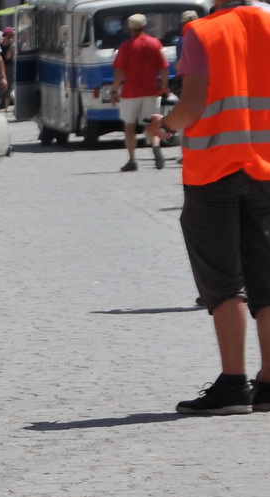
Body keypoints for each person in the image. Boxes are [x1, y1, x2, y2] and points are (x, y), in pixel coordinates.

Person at [146, 0, 270, 415]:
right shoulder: (268, 23)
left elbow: (194, 103)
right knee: (266, 277)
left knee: (223, 279)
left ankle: (234, 385)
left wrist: (163, 126)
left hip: (215, 170)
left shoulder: (203, 32)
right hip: (266, 168)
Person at [111, 13, 168, 171]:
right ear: (145, 26)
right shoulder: (155, 44)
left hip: (130, 92)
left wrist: (114, 90)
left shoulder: (126, 47)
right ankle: (155, 145)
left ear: (130, 28)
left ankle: (132, 160)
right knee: (152, 124)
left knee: (129, 126)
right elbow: (163, 67)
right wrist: (164, 85)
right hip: (150, 90)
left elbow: (120, 71)